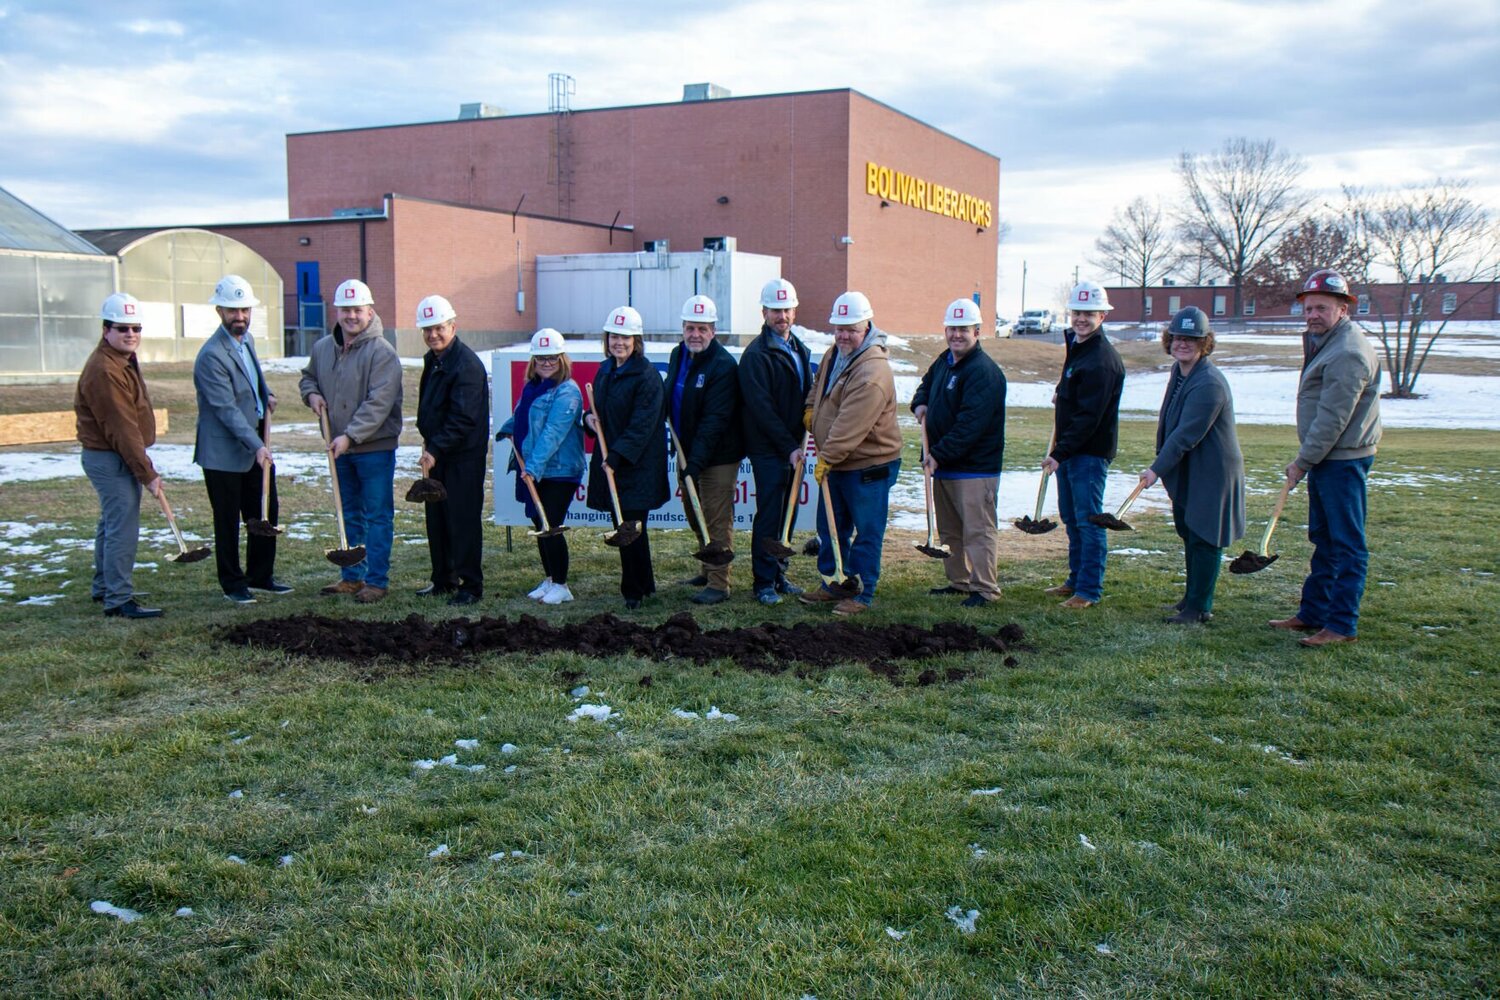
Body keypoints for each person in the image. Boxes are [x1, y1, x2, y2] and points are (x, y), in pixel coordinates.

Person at [1270, 269, 1382, 647]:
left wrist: (1303, 460)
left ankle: (1341, 624)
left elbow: (1334, 418)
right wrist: (1309, 459)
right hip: (1327, 459)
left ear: (1343, 308)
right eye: (1308, 308)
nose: (1312, 315)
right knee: (1325, 540)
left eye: (1321, 307)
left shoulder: (1348, 351)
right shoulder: (1328, 342)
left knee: (1347, 544)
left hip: (1342, 461)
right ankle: (1313, 613)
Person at [299, 278, 403, 604]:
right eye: (346, 310)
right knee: (349, 514)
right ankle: (352, 577)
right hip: (339, 448)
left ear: (369, 311)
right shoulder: (322, 348)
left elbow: (379, 403)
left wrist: (350, 436)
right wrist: (311, 394)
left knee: (377, 515)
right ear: (337, 311)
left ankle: (376, 580)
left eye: (358, 309)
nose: (351, 316)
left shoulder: (382, 353)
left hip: (373, 449)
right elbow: (308, 377)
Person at [1139, 307, 1245, 624]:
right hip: (1190, 468)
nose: (1183, 344)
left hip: (1212, 472)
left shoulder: (1209, 383)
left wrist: (1156, 469)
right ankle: (1192, 597)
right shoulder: (1181, 372)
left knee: (1204, 535)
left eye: (1191, 339)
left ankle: (1199, 607)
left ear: (1205, 343)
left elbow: (1186, 435)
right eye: (1178, 337)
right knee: (1188, 530)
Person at [799, 291, 901, 616]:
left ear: (867, 325)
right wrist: (811, 409)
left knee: (867, 531)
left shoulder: (873, 372)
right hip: (838, 461)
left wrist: (826, 455)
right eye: (839, 328)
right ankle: (833, 582)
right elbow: (819, 382)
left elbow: (850, 425)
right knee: (831, 526)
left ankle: (862, 591)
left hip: (867, 466)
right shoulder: (836, 352)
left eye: (851, 329)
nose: (843, 334)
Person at [192, 274, 288, 606]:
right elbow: (226, 410)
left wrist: (267, 395)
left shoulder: (247, 341)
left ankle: (260, 576)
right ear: (219, 310)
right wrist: (259, 446)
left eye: (245, 310)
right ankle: (233, 583)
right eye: (233, 311)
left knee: (264, 510)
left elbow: (250, 383)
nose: (240, 317)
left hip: (253, 447)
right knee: (228, 519)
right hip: (224, 453)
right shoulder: (211, 356)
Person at [912, 298, 1008, 607]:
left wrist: (938, 453)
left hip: (974, 469)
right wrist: (920, 403)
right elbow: (926, 385)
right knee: (951, 530)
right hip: (945, 466)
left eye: (963, 329)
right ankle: (960, 581)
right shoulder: (945, 360)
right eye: (952, 329)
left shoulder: (984, 372)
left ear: (977, 331)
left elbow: (970, 425)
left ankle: (985, 588)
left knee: (977, 531)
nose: (956, 335)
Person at [75, 293, 164, 619]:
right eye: (122, 328)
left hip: (114, 454)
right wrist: (147, 473)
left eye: (136, 328)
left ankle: (104, 586)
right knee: (122, 527)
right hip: (109, 457)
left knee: (111, 523)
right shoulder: (105, 370)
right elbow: (122, 428)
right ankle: (118, 599)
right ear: (105, 329)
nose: (130, 334)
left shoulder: (119, 360)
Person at [1043, 279, 1125, 609]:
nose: (1081, 318)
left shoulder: (1102, 360)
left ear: (1102, 317)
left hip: (1088, 453)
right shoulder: (1079, 347)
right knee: (1072, 517)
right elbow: (1078, 396)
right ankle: (1075, 580)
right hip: (1072, 450)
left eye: (1089, 313)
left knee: (1089, 520)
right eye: (1077, 311)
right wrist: (1063, 394)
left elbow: (1089, 417)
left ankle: (1088, 590)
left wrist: (1059, 453)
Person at [584, 306, 669, 610]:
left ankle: (632, 590)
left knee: (629, 528)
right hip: (614, 464)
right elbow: (600, 413)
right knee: (628, 526)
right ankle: (645, 584)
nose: (619, 342)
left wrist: (617, 457)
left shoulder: (646, 376)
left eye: (625, 337)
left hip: (637, 466)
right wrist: (588, 420)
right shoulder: (606, 371)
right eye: (614, 336)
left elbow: (642, 425)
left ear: (636, 340)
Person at [738, 278, 813, 605]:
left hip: (794, 447)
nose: (781, 316)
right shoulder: (756, 355)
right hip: (770, 448)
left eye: (786, 309)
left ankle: (779, 572)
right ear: (764, 312)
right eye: (775, 310)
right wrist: (789, 447)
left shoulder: (799, 347)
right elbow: (762, 409)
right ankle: (763, 582)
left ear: (794, 310)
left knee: (789, 513)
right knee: (769, 515)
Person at [665, 294, 744, 605]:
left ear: (713, 330)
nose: (695, 334)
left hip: (716, 457)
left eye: (702, 328)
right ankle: (707, 567)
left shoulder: (723, 366)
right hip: (687, 453)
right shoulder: (678, 355)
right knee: (693, 513)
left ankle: (719, 583)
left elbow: (715, 421)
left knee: (714, 517)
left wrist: (695, 462)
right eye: (689, 328)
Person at [497, 328, 584, 605]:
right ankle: (549, 578)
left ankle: (562, 584)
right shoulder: (532, 388)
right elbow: (521, 416)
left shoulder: (568, 392)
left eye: (552, 358)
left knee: (551, 525)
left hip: (559, 471)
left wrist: (532, 468)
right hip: (536, 469)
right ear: (533, 361)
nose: (547, 363)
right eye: (541, 358)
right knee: (539, 521)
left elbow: (552, 434)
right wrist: (506, 429)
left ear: (562, 359)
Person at [414, 295, 490, 606]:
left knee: (462, 520)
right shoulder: (433, 360)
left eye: (439, 328)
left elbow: (463, 418)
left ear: (453, 326)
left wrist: (435, 448)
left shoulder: (467, 365)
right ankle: (442, 578)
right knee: (437, 519)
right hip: (438, 454)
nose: (433, 335)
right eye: (427, 329)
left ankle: (470, 585)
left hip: (462, 458)